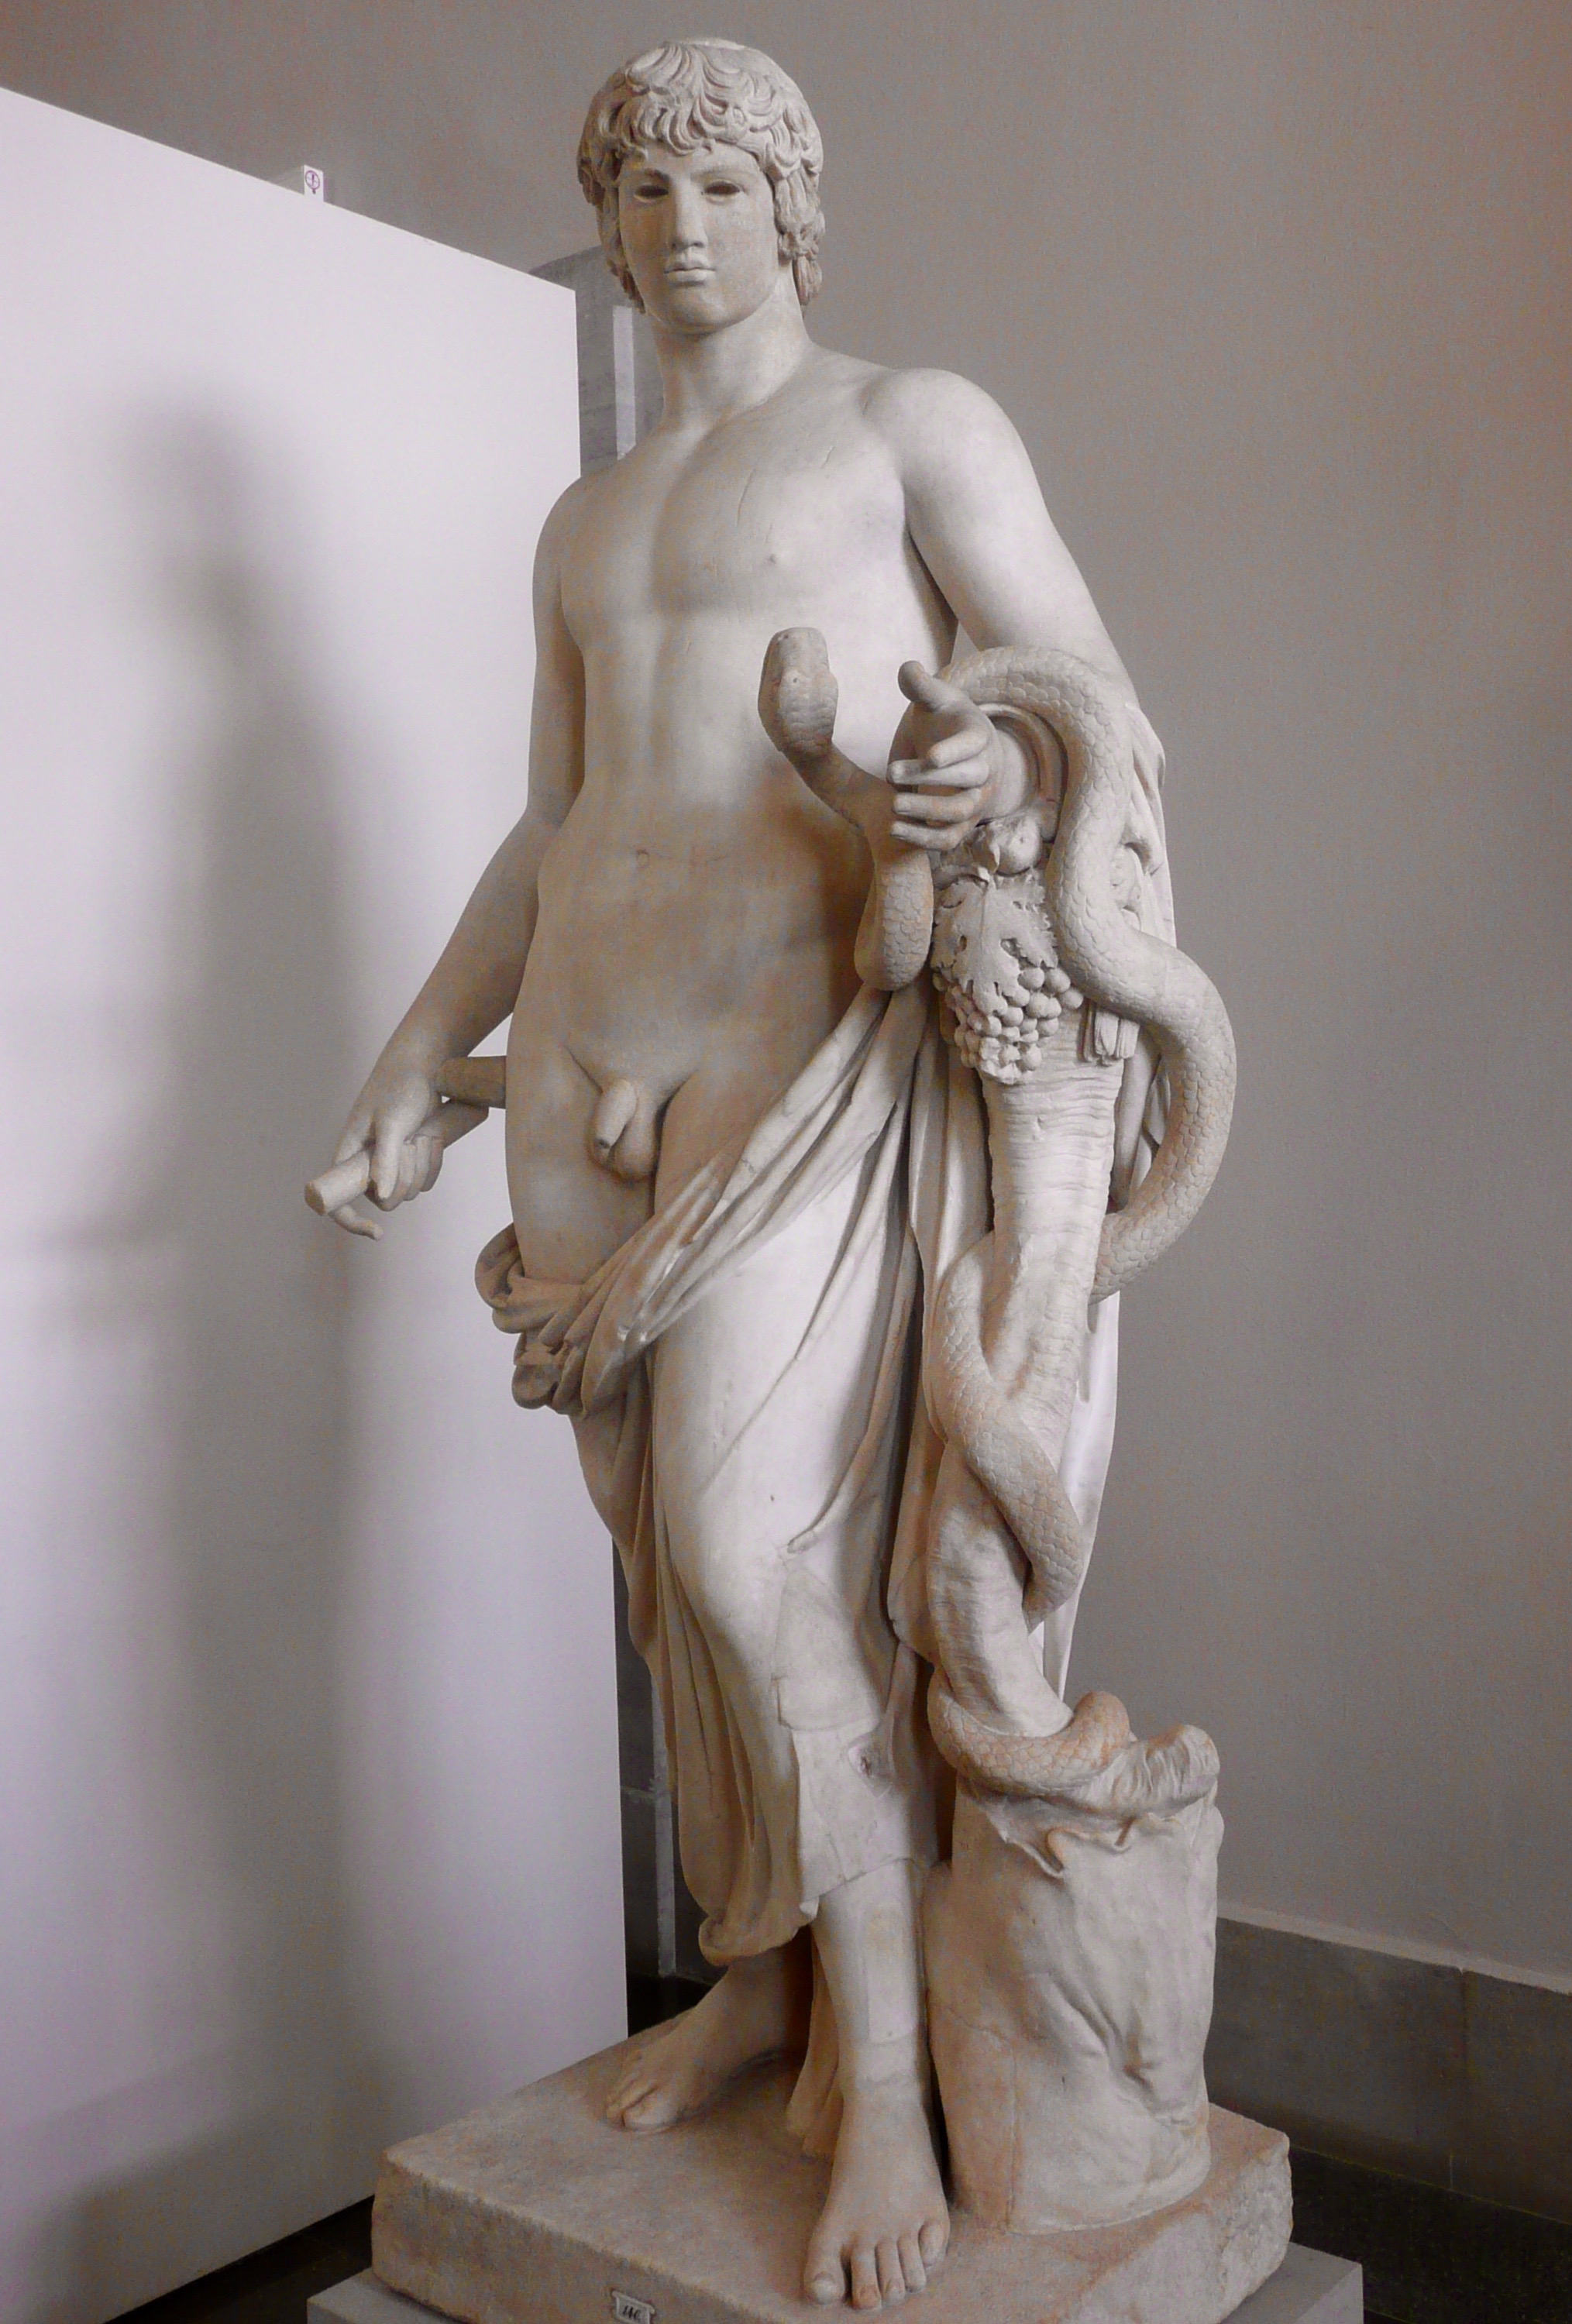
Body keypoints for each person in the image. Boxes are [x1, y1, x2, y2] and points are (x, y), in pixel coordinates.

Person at [325, 39, 1151, 2311]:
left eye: (721, 185)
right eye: (642, 188)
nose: (678, 226)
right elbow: (551, 818)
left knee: (750, 1545)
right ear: (608, 221)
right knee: (665, 1574)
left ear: (795, 209)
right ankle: (765, 1982)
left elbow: (1087, 693)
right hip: (592, 1031)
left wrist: (994, 770)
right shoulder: (581, 522)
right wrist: (418, 1054)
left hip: (799, 1047)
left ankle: (884, 2074)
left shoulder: (911, 427)